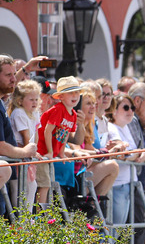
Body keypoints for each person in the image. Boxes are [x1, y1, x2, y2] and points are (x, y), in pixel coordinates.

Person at [106, 93, 145, 229]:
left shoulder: (125, 127)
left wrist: (144, 154)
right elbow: (125, 153)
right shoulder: (111, 127)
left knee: (122, 229)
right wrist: (144, 155)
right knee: (114, 229)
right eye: (125, 107)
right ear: (114, 110)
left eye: (132, 108)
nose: (130, 111)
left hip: (128, 183)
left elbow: (135, 151)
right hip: (118, 185)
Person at [36, 77, 88, 209]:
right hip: (41, 152)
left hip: (50, 156)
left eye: (77, 92)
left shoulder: (73, 114)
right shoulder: (58, 109)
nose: (75, 96)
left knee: (47, 185)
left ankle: (44, 217)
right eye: (71, 93)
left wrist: (61, 153)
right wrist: (50, 151)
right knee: (44, 185)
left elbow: (64, 135)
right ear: (61, 97)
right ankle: (39, 218)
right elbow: (47, 131)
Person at [7, 79, 42, 208]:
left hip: (28, 153)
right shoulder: (19, 113)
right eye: (31, 99)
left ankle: (26, 216)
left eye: (36, 99)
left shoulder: (35, 113)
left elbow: (36, 133)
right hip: (19, 152)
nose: (35, 102)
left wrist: (35, 149)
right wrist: (31, 150)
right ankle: (20, 217)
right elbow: (25, 135)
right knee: (18, 187)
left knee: (32, 185)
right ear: (20, 100)